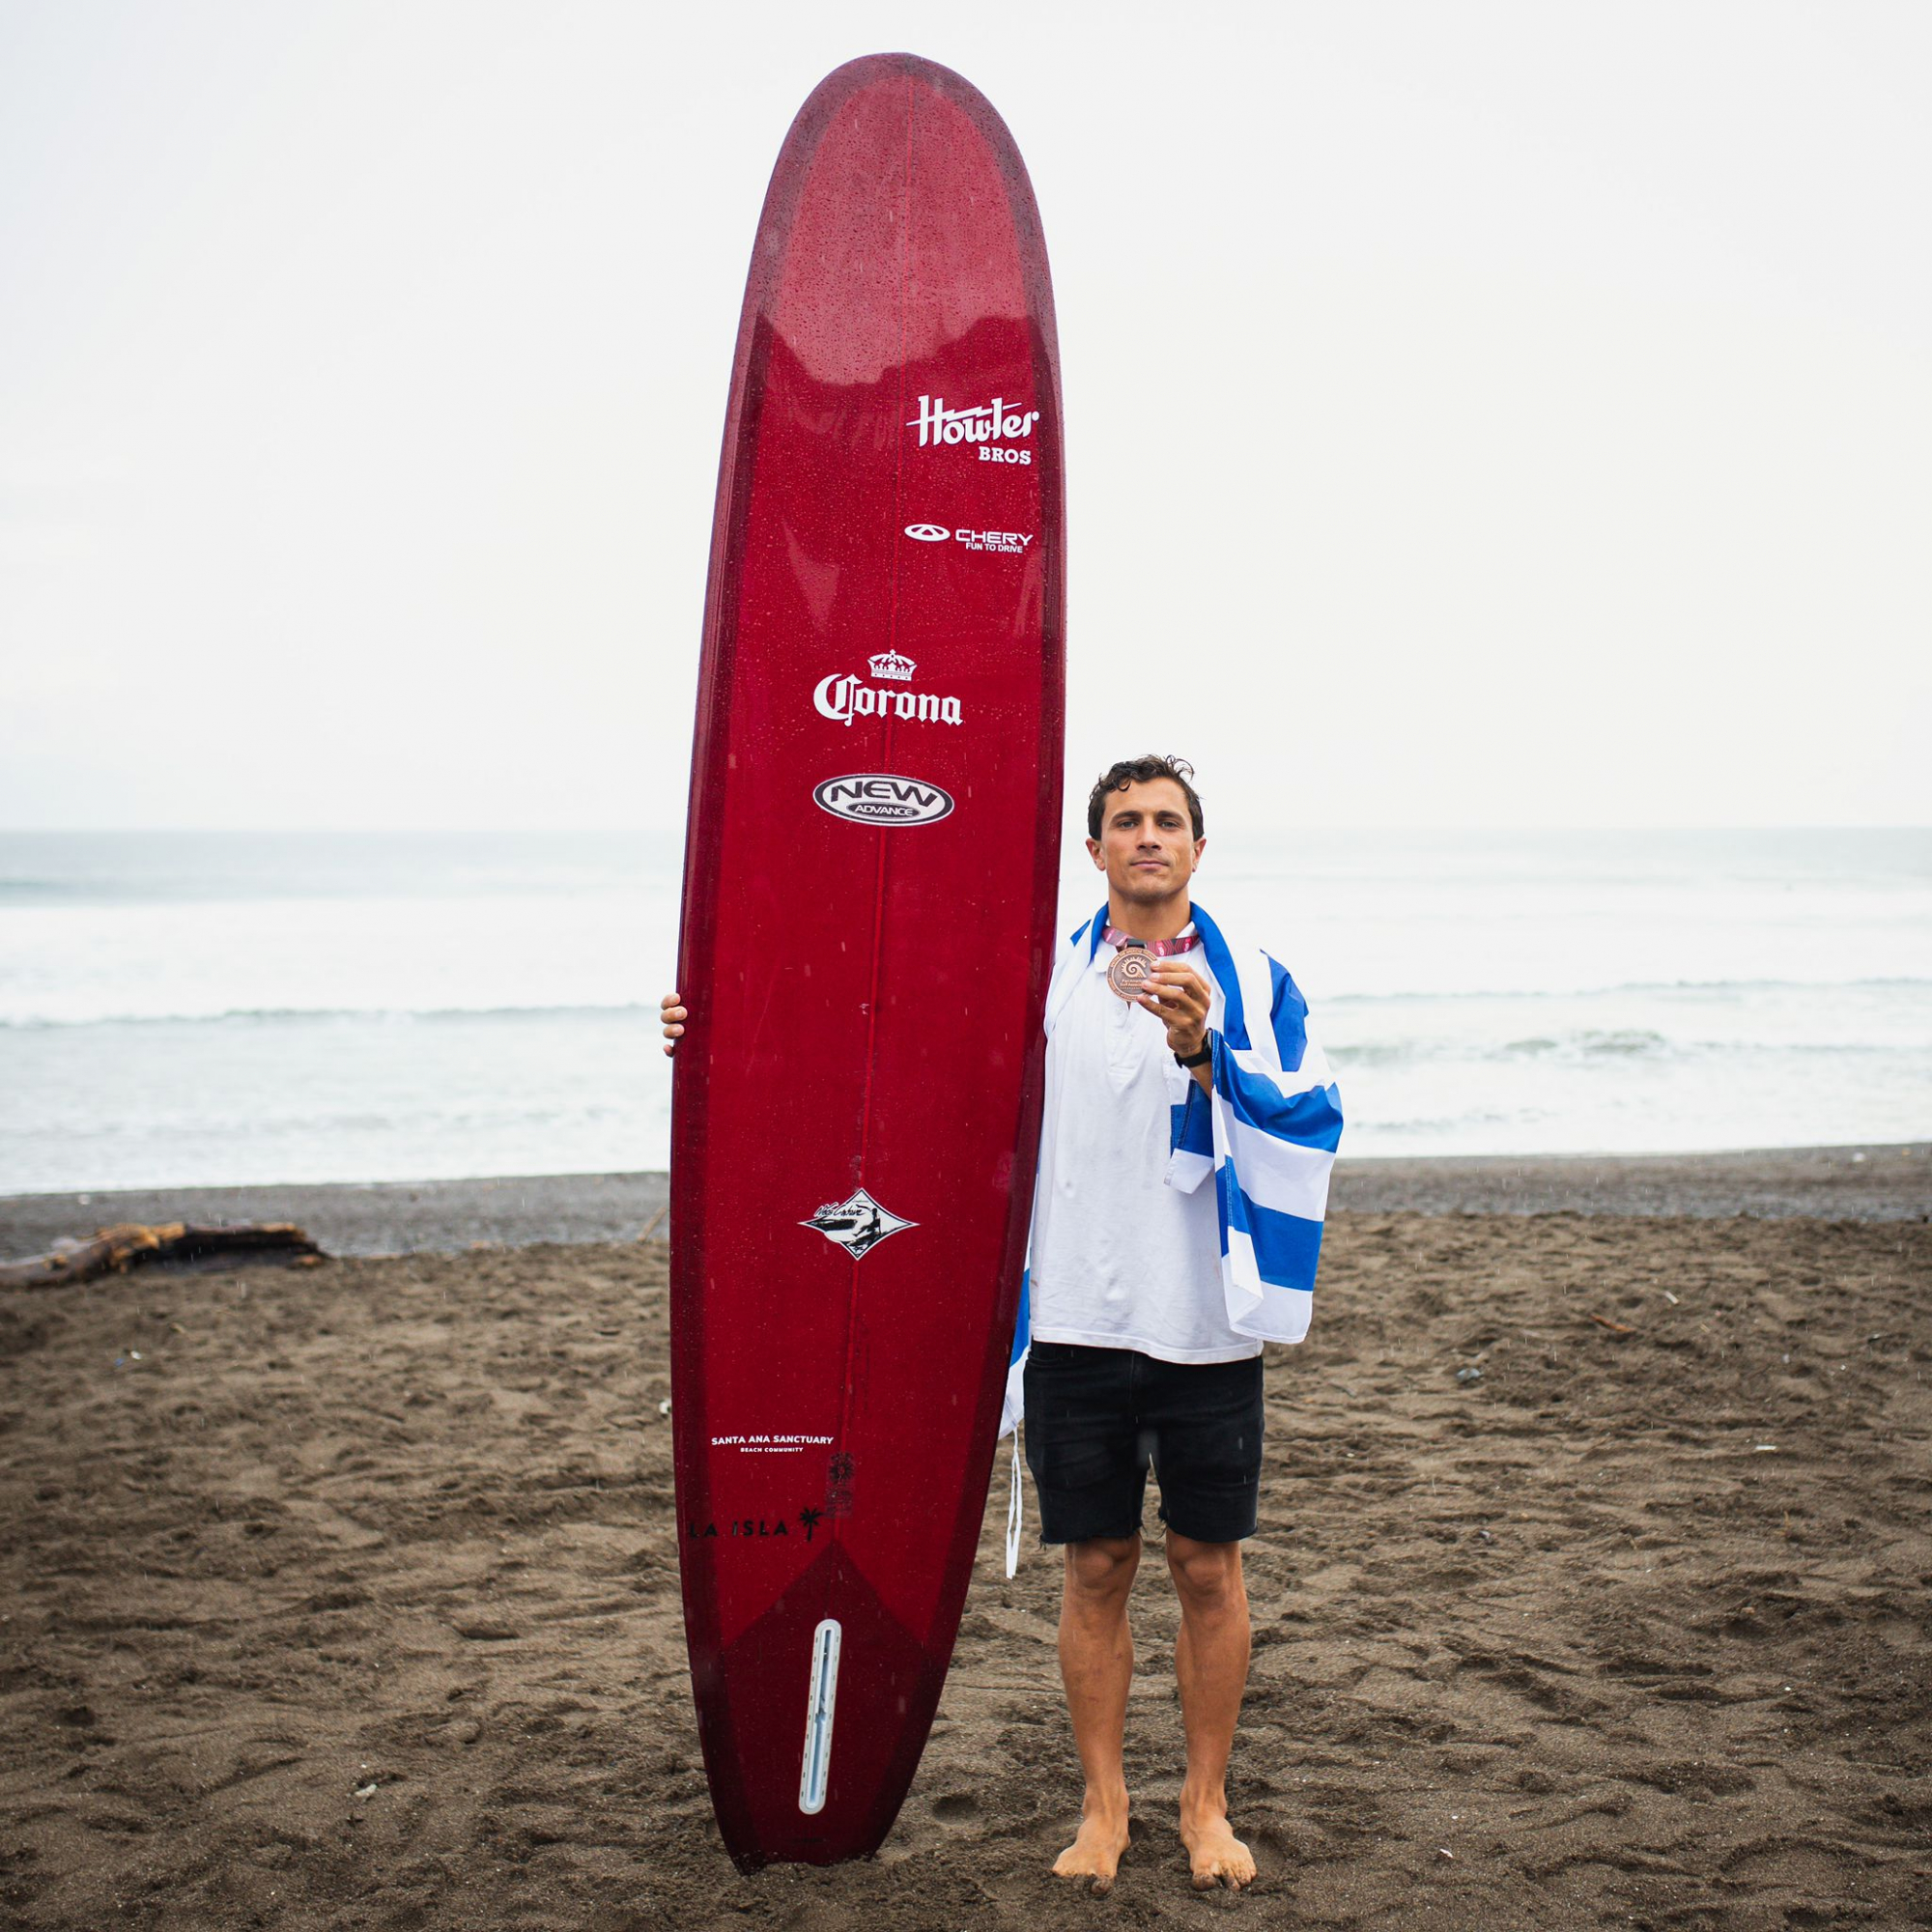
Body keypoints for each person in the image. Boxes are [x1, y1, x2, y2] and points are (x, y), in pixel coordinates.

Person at [661, 753, 1342, 1896]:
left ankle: (1205, 1802)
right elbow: (885, 1042)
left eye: (1166, 821)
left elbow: (1311, 1115)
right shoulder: (1044, 973)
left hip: (1202, 1327)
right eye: (1123, 821)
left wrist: (1201, 1049)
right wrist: (717, 1017)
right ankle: (1103, 1803)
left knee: (1206, 1566)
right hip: (1076, 1312)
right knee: (1097, 1564)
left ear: (1197, 846)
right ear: (1092, 851)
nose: (1145, 838)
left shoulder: (1256, 977)